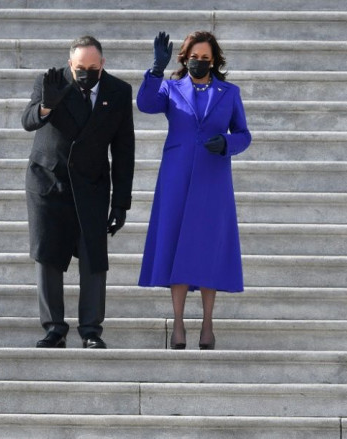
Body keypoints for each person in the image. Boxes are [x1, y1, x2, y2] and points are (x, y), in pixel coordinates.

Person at [137, 31, 252, 350]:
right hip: (176, 175)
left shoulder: (229, 92)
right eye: (194, 57)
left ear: (214, 61)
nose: (199, 63)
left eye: (205, 58)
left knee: (206, 248)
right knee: (176, 244)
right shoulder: (171, 88)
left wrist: (226, 143)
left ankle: (207, 323)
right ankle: (178, 323)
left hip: (212, 177)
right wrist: (156, 70)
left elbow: (244, 133)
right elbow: (145, 104)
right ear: (184, 58)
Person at [21, 36, 135, 349]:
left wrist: (121, 202)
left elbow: (124, 149)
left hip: (92, 185)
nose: (86, 73)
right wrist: (47, 105)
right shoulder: (51, 81)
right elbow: (27, 121)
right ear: (71, 64)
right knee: (48, 256)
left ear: (103, 64)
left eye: (93, 68)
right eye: (81, 67)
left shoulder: (119, 91)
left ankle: (91, 331)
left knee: (94, 260)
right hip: (49, 182)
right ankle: (54, 329)